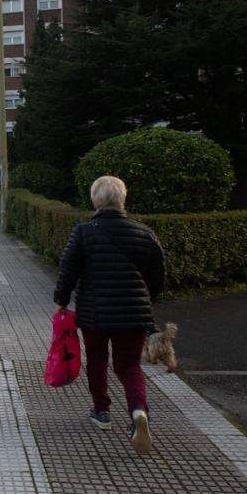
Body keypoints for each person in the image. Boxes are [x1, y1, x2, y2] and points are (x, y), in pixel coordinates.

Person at [53, 175, 165, 453]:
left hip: (95, 313)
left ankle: (101, 412)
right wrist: (144, 301)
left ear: (96, 201)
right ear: (122, 200)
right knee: (129, 366)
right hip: (134, 314)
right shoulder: (144, 233)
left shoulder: (84, 232)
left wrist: (61, 301)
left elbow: (68, 270)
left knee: (98, 360)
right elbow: (157, 276)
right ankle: (139, 412)